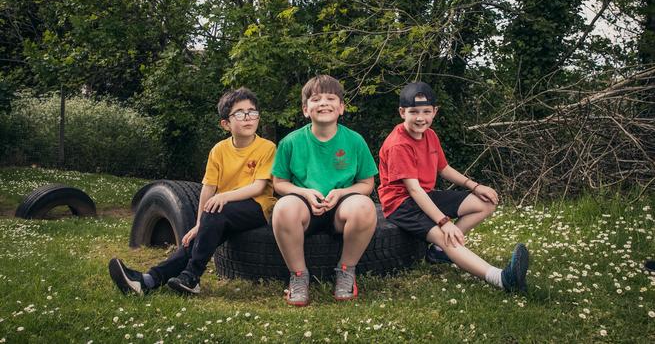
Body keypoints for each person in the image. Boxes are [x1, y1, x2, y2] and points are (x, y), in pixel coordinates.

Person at [108, 87, 276, 295]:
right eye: (240, 113)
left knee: (216, 212)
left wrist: (223, 197)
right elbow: (208, 188)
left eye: (252, 112)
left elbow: (258, 187)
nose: (248, 117)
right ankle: (147, 280)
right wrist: (199, 224)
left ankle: (192, 275)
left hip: (257, 208)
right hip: (224, 211)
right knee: (198, 240)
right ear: (226, 124)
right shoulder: (219, 150)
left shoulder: (267, 147)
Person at [378, 81, 529, 292]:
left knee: (484, 203)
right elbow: (413, 190)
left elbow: (444, 168)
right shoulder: (399, 144)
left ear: (435, 111)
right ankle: (503, 280)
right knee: (445, 235)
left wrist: (475, 186)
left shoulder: (430, 135)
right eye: (414, 112)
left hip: (425, 195)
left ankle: (439, 252)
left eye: (426, 111)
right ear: (402, 112)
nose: (420, 118)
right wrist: (444, 222)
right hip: (401, 204)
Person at [271, 75, 379, 306]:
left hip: (342, 209)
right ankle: (299, 276)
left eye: (331, 98)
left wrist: (341, 193)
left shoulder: (355, 141)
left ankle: (346, 270)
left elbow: (367, 184)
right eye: (316, 99)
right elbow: (279, 183)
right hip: (304, 209)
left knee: (365, 206)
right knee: (283, 208)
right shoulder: (290, 142)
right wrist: (305, 193)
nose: (323, 103)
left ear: (341, 108)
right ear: (305, 109)